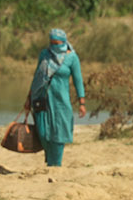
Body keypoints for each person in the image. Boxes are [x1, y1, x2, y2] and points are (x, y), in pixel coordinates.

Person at [26, 28, 87, 169]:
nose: (54, 46)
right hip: (41, 99)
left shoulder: (72, 58)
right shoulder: (45, 54)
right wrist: (28, 98)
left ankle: (55, 164)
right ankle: (50, 159)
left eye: (57, 43)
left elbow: (78, 81)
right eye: (51, 42)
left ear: (64, 42)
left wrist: (82, 102)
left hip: (61, 101)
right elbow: (37, 77)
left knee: (59, 134)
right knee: (43, 133)